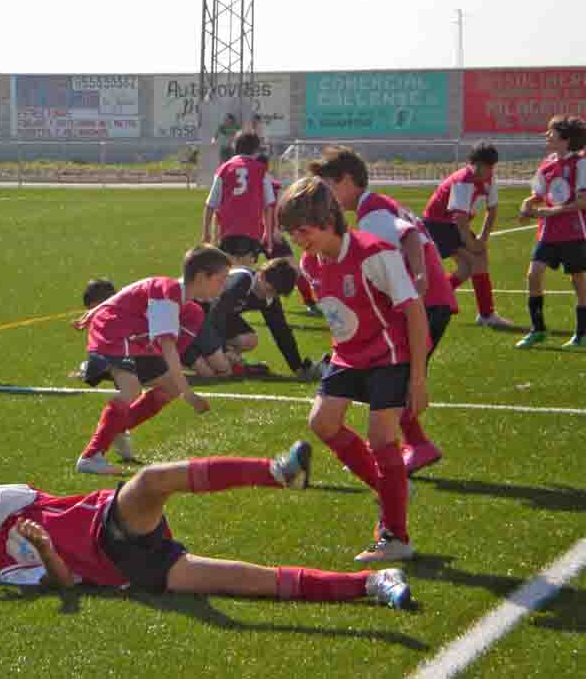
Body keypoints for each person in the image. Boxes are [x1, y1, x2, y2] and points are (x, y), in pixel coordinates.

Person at [0, 448, 413, 610]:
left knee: (149, 480)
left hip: (109, 521)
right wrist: (45, 548)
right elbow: (66, 583)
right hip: (131, 571)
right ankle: (372, 583)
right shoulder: (2, 564)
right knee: (247, 582)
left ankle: (275, 472)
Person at [277, 177, 429, 563]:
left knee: (381, 439)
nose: (297, 240)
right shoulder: (311, 262)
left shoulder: (374, 253)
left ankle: (396, 537)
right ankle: (391, 488)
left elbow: (414, 310)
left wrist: (418, 379)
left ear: (328, 221)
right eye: (292, 233)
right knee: (322, 422)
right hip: (347, 355)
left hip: (388, 357)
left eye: (303, 231)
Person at [310, 146, 455, 475]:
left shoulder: (372, 212)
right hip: (426, 299)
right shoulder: (377, 205)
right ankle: (411, 444)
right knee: (392, 375)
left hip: (423, 303)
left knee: (395, 372)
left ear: (347, 180)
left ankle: (410, 447)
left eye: (327, 187)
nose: (326, 197)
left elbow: (409, 237)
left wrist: (419, 278)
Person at [72, 246, 230, 475]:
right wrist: (189, 394)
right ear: (201, 277)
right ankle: (90, 457)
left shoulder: (190, 308)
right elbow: (167, 347)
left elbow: (135, 289)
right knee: (131, 390)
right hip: (114, 332)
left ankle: (117, 427)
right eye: (221, 280)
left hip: (135, 340)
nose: (223, 286)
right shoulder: (169, 292)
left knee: (171, 387)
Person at [184, 259, 324, 381]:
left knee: (249, 340)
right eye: (270, 290)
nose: (270, 295)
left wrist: (297, 367)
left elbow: (281, 331)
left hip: (210, 319)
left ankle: (221, 361)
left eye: (276, 293)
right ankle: (191, 353)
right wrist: (224, 350)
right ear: (262, 276)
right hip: (188, 315)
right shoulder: (241, 281)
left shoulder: (270, 296)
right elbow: (215, 314)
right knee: (213, 373)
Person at [422, 142, 512, 329]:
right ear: (474, 164)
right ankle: (486, 315)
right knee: (476, 260)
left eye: (490, 166)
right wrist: (471, 244)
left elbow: (492, 210)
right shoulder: (464, 181)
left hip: (453, 225)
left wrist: (483, 239)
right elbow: (460, 219)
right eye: (483, 166)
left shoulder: (489, 179)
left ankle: (429, 301)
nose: (487, 171)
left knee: (466, 268)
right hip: (438, 224)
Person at [515, 115, 586, 349]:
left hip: (574, 231)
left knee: (577, 279)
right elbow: (538, 194)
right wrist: (527, 204)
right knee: (533, 274)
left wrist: (553, 211)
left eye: (551, 133)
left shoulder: (580, 164)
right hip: (548, 232)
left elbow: (583, 202)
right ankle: (538, 329)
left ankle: (582, 333)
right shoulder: (547, 163)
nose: (546, 136)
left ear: (566, 139)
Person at [201, 131, 276, 266]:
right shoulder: (261, 170)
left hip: (227, 231)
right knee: (245, 271)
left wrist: (206, 233)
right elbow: (268, 206)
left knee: (228, 271)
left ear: (234, 146)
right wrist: (268, 235)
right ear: (256, 149)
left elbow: (210, 204)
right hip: (251, 231)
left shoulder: (224, 168)